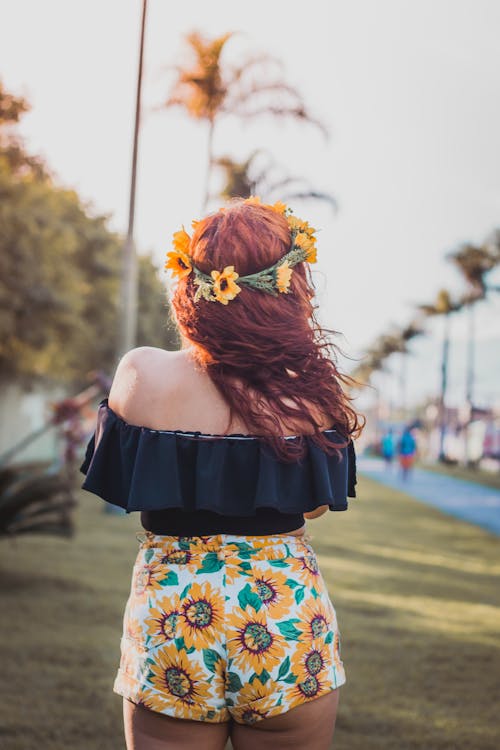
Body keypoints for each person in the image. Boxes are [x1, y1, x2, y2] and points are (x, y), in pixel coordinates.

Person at [80, 197, 364, 750]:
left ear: (190, 281)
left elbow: (117, 482)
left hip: (173, 621)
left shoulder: (140, 373)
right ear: (290, 287)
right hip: (283, 619)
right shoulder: (311, 398)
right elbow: (311, 507)